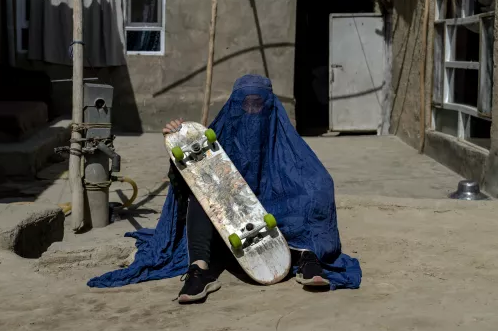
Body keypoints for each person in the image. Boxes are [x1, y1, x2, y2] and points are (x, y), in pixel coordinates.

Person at [88, 75, 362, 303]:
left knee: (309, 192)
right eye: (246, 105)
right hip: (229, 227)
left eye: (259, 104)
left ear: (271, 107)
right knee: (202, 196)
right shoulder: (218, 138)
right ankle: (199, 271)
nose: (253, 112)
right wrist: (177, 141)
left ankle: (306, 257)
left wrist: (314, 191)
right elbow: (187, 179)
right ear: (233, 107)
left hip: (272, 226)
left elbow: (314, 177)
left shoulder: (283, 141)